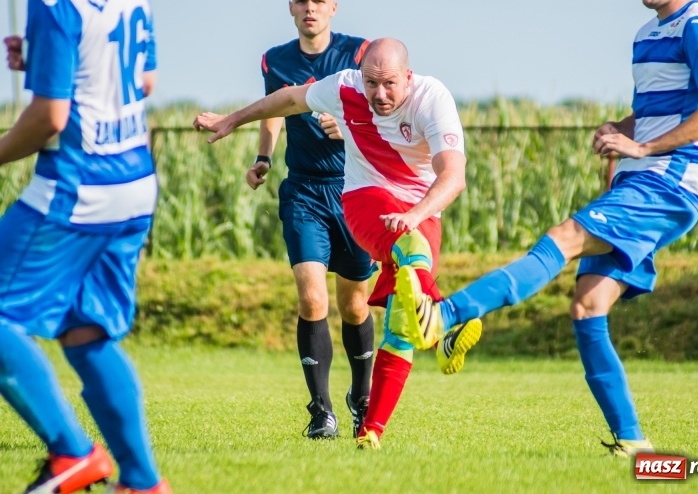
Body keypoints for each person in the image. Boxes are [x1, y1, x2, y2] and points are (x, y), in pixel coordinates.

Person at [393, 0, 698, 457]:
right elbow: (660, 110)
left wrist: (642, 148)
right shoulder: (646, 35)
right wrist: (621, 129)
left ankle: (445, 316)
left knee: (564, 236)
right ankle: (635, 444)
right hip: (639, 181)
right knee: (587, 306)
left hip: (668, 184)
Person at [194, 38, 483, 450]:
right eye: (371, 83)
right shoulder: (345, 87)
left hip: (420, 208)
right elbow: (290, 99)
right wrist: (233, 120)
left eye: (389, 84)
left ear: (408, 77)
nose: (379, 94)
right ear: (360, 76)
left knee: (402, 321)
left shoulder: (433, 98)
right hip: (364, 200)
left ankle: (371, 431)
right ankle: (435, 332)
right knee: (385, 263)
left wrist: (417, 213)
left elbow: (453, 176)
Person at [0, 0, 170, 492]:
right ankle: (142, 482)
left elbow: (49, 117)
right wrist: (46, 60)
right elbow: (143, 80)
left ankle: (72, 453)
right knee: (87, 331)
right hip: (134, 181)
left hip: (79, 186)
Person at [248, 0, 376, 441]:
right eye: (302, 0)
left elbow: (383, 109)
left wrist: (348, 129)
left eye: (318, 1)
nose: (310, 8)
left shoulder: (359, 53)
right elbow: (273, 111)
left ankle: (361, 398)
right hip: (303, 189)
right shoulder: (274, 60)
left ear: (333, 8)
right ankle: (321, 410)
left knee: (355, 305)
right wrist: (263, 159)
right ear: (291, 7)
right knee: (311, 297)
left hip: (355, 190)